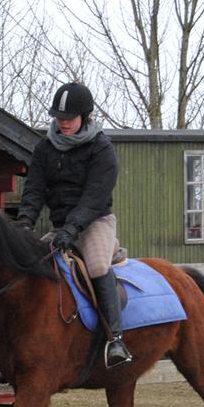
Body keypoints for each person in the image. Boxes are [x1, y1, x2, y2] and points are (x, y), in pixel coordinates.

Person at [16, 81, 133, 368]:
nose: (63, 123)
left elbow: (95, 196)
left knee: (97, 266)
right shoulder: (45, 148)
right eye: (58, 117)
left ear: (84, 116)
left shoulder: (101, 148)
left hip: (95, 222)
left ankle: (115, 340)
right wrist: (24, 224)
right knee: (26, 266)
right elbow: (34, 189)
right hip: (60, 226)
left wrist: (73, 228)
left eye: (68, 118)